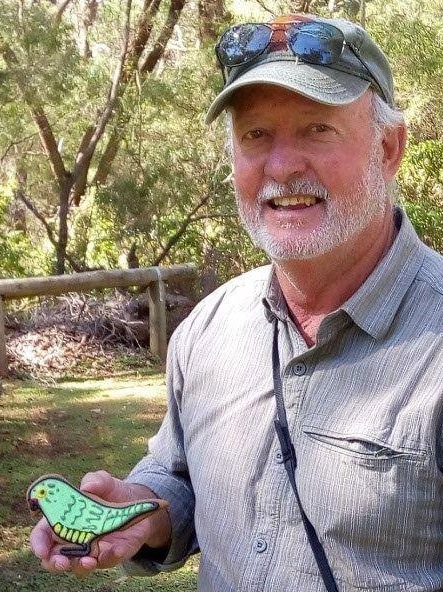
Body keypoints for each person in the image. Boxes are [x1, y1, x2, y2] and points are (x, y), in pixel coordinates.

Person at [30, 11, 443, 592]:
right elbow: (179, 473)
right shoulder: (208, 330)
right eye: (255, 135)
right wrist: (142, 509)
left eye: (317, 128)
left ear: (389, 146)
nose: (281, 165)